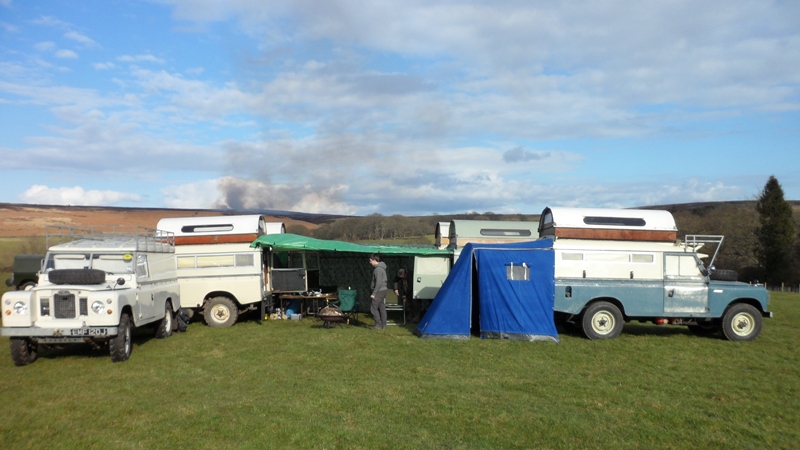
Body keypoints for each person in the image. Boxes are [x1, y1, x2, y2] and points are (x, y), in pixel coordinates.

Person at [369, 253, 388, 330]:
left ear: (374, 260)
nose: (370, 262)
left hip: (379, 291)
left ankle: (378, 325)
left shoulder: (378, 269)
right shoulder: (381, 268)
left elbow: (378, 282)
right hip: (383, 290)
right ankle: (383, 324)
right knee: (381, 307)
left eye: (370, 261)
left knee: (373, 308)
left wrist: (374, 293)